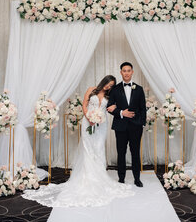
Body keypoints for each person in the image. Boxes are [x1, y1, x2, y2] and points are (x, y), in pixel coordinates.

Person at [22, 75, 134, 207]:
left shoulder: (111, 95)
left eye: (111, 85)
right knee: (87, 148)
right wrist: (89, 118)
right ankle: (87, 178)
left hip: (102, 124)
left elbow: (112, 108)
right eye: (107, 84)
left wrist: (116, 109)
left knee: (98, 148)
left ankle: (99, 178)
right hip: (88, 122)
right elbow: (84, 105)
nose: (108, 87)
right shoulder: (91, 90)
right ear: (104, 81)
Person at [107, 62, 146, 187]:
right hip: (120, 126)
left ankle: (137, 178)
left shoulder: (139, 89)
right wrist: (122, 113)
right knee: (121, 152)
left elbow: (143, 108)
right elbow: (110, 107)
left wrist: (142, 123)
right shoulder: (115, 89)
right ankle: (121, 178)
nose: (127, 73)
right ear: (121, 72)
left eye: (129, 70)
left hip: (136, 126)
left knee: (135, 152)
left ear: (132, 72)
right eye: (124, 70)